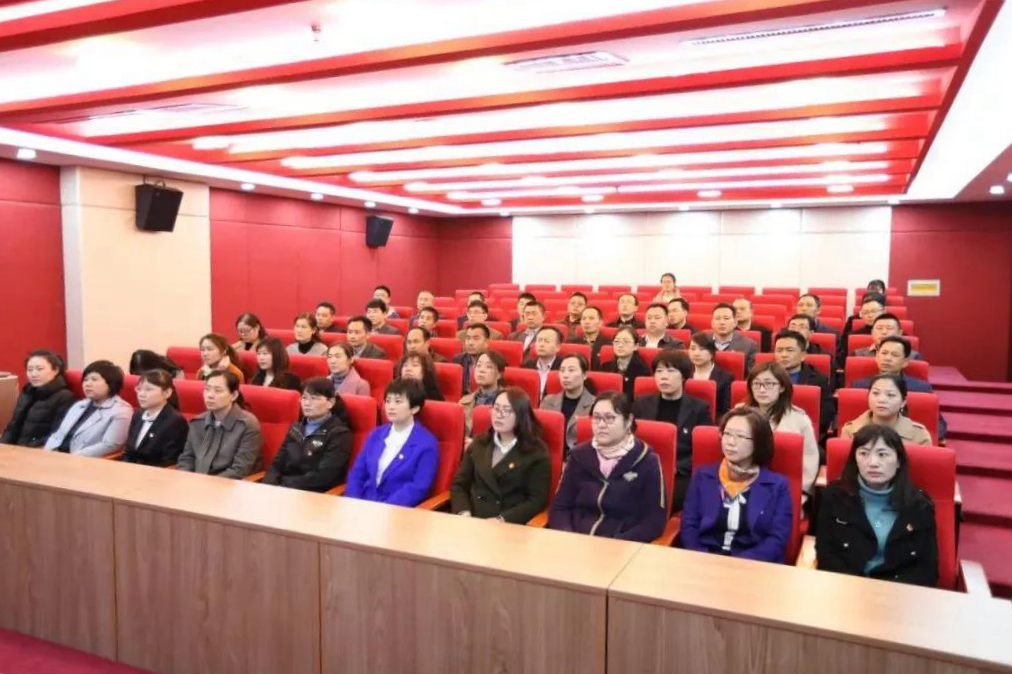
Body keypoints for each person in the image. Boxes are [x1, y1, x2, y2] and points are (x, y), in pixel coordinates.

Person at [816, 425, 938, 586]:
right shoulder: (833, 496)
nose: (873, 463)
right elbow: (825, 554)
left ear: (898, 461)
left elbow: (927, 568)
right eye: (864, 453)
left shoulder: (919, 505)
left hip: (900, 592)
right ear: (855, 459)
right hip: (844, 588)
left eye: (882, 454)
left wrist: (887, 594)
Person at [549, 391, 667, 541]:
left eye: (610, 418)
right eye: (596, 418)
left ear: (628, 421)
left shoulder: (647, 461)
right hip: (575, 539)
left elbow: (654, 521)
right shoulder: (579, 456)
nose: (601, 425)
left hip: (621, 544)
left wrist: (616, 543)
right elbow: (560, 507)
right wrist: (567, 536)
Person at [679, 408, 793, 563]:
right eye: (727, 434)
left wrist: (737, 565)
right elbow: (689, 526)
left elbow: (777, 538)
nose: (730, 442)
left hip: (755, 565)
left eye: (740, 436)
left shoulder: (777, 486)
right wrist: (703, 558)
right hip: (704, 561)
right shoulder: (703, 476)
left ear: (758, 442)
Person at [451, 387, 551, 523]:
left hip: (508, 524)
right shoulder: (479, 443)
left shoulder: (536, 452)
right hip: (471, 520)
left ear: (521, 415)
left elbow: (536, 501)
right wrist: (464, 513)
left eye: (506, 410)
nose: (499, 415)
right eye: (496, 408)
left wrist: (501, 520)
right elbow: (459, 485)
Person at [632, 350, 713, 511]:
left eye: (670, 371)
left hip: (679, 473)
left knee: (659, 498)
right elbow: (629, 439)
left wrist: (675, 467)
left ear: (683, 376)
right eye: (659, 371)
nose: (663, 376)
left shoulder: (699, 408)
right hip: (643, 467)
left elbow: (703, 451)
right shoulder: (642, 403)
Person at [344, 379, 439, 506]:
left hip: (396, 510)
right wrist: (353, 502)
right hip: (362, 505)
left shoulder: (426, 443)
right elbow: (357, 472)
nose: (390, 406)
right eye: (388, 401)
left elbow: (418, 487)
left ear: (415, 408)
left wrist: (384, 509)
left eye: (398, 401)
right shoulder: (376, 434)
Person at [739, 362, 819, 499]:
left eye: (769, 384)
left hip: (785, 491)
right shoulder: (739, 414)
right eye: (756, 384)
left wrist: (800, 495)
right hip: (742, 485)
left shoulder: (800, 420)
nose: (762, 390)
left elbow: (809, 462)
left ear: (782, 387)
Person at [263, 377, 353, 492]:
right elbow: (276, 464)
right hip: (284, 489)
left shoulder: (339, 434)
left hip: (314, 494)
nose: (307, 403)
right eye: (304, 398)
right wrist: (268, 486)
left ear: (330, 402)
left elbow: (323, 476)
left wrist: (284, 486)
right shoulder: (296, 428)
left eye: (314, 398)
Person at [851, 336, 946, 439]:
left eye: (894, 355)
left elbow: (938, 424)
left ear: (905, 361)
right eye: (884, 353)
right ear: (877, 357)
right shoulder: (859, 385)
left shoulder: (921, 388)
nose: (887, 358)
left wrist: (920, 439)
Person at [176, 370, 262, 478]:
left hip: (227, 485)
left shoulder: (247, 424)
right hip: (194, 482)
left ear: (233, 395)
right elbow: (187, 458)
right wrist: (186, 478)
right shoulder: (197, 422)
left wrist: (206, 483)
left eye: (217, 391)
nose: (210, 395)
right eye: (207, 389)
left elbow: (239, 470)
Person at [44, 360, 132, 457]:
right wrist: (47, 452)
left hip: (83, 460)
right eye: (85, 380)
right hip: (57, 456)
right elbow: (58, 434)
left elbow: (110, 445)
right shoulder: (79, 405)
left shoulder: (121, 411)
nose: (87, 384)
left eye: (94, 379)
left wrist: (72, 458)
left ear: (111, 384)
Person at [1, 350, 76, 447]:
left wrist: (23, 450)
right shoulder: (27, 392)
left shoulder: (64, 397)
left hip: (37, 451)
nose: (34, 374)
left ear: (56, 370)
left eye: (40, 369)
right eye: (30, 370)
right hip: (15, 449)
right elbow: (12, 427)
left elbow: (57, 435)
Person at [773, 329, 834, 441]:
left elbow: (826, 414)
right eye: (779, 350)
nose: (784, 355)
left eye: (790, 350)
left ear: (803, 355)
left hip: (804, 432)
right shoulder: (762, 376)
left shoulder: (818, 380)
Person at [840, 374, 932, 445]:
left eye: (890, 395)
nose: (881, 400)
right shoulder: (850, 431)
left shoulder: (919, 435)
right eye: (875, 393)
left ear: (903, 402)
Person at [123, 369, 188, 466]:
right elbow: (129, 451)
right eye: (139, 389)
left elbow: (169, 461)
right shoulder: (138, 414)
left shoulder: (175, 421)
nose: (141, 394)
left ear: (167, 393)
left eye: (148, 389)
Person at [540, 353, 596, 456]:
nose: (565, 375)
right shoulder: (548, 402)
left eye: (571, 370)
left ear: (584, 375)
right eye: (562, 370)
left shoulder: (595, 405)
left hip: (580, 458)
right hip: (549, 457)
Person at [459, 350, 507, 436]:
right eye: (479, 365)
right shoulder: (464, 401)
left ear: (499, 374)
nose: (481, 370)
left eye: (488, 367)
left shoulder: (509, 403)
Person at [688, 332, 733, 418]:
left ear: (712, 352)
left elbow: (725, 410)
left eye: (702, 349)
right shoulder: (684, 373)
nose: (696, 353)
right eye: (692, 349)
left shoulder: (725, 377)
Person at [599, 327, 651, 402]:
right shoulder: (605, 367)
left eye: (626, 342)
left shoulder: (642, 371)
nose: (620, 345)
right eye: (617, 341)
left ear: (636, 346)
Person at [711, 303, 758, 374]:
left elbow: (751, 375)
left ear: (735, 322)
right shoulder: (702, 342)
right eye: (717, 319)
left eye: (726, 318)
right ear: (712, 322)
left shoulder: (750, 345)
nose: (722, 322)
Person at [853, 314, 923, 360]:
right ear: (872, 332)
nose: (884, 332)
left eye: (889, 328)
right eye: (879, 328)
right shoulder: (858, 354)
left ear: (899, 333)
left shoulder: (912, 356)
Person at [521, 326, 562, 397]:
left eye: (547, 341)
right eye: (539, 340)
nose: (541, 344)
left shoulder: (563, 367)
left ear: (558, 347)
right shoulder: (526, 367)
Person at [454, 323, 491, 394]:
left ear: (486, 342)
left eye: (476, 339)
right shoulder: (458, 360)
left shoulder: (494, 361)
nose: (470, 343)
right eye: (468, 338)